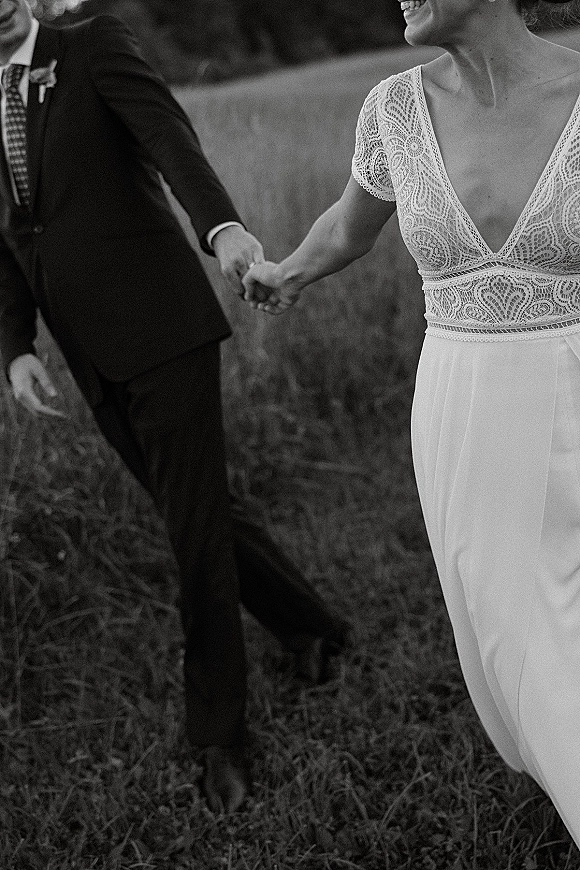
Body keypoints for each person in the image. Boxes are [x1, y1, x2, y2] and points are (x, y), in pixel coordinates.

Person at [0, 0, 351, 814]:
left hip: (162, 328)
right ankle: (312, 624)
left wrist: (224, 231)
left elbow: (170, 142)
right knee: (196, 509)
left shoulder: (91, 46)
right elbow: (10, 235)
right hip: (87, 351)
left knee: (191, 531)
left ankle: (219, 732)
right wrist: (16, 347)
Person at [243, 0, 580, 847]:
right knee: (513, 632)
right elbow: (348, 226)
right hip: (464, 414)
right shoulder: (392, 108)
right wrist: (286, 271)